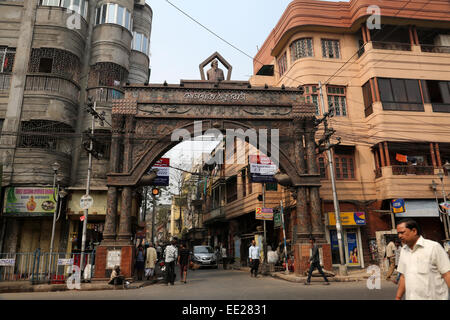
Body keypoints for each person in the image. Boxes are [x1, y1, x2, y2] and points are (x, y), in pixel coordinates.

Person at [395, 218, 450, 300]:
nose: (399, 236)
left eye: (402, 232)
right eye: (398, 233)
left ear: (414, 231)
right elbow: (403, 277)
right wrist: (398, 297)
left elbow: (447, 274)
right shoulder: (404, 251)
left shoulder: (433, 247)